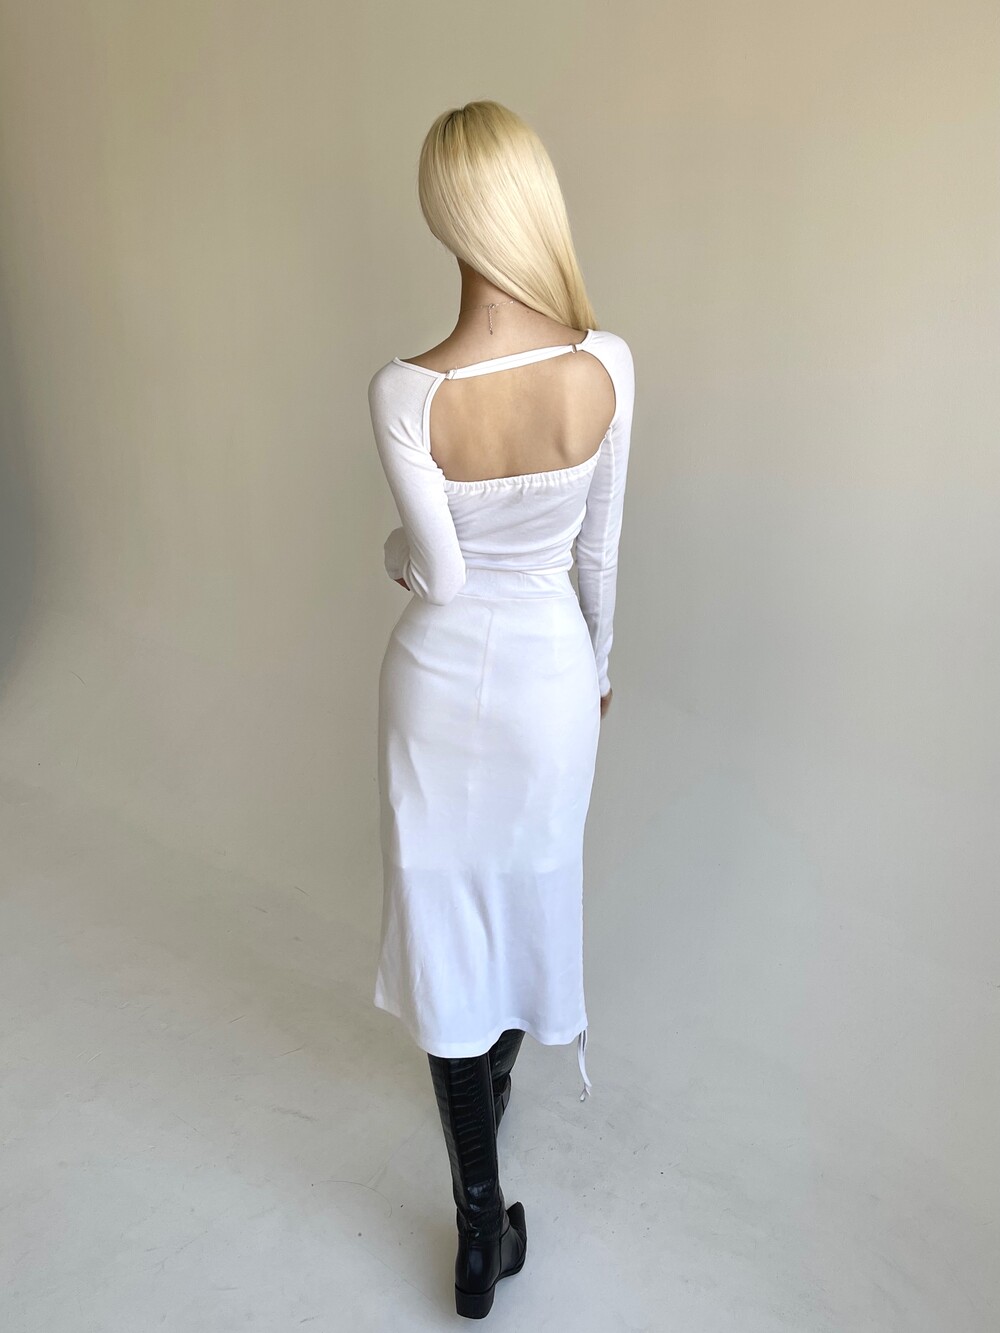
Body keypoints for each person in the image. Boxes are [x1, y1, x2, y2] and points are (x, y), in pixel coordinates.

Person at [367, 100, 635, 1319]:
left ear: (445, 213)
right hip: (549, 680)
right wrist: (600, 670)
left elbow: (436, 572)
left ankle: (481, 1233)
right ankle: (495, 1074)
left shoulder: (405, 390)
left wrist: (388, 551)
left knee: (444, 923)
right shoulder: (606, 364)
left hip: (438, 687)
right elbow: (598, 555)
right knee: (528, 889)